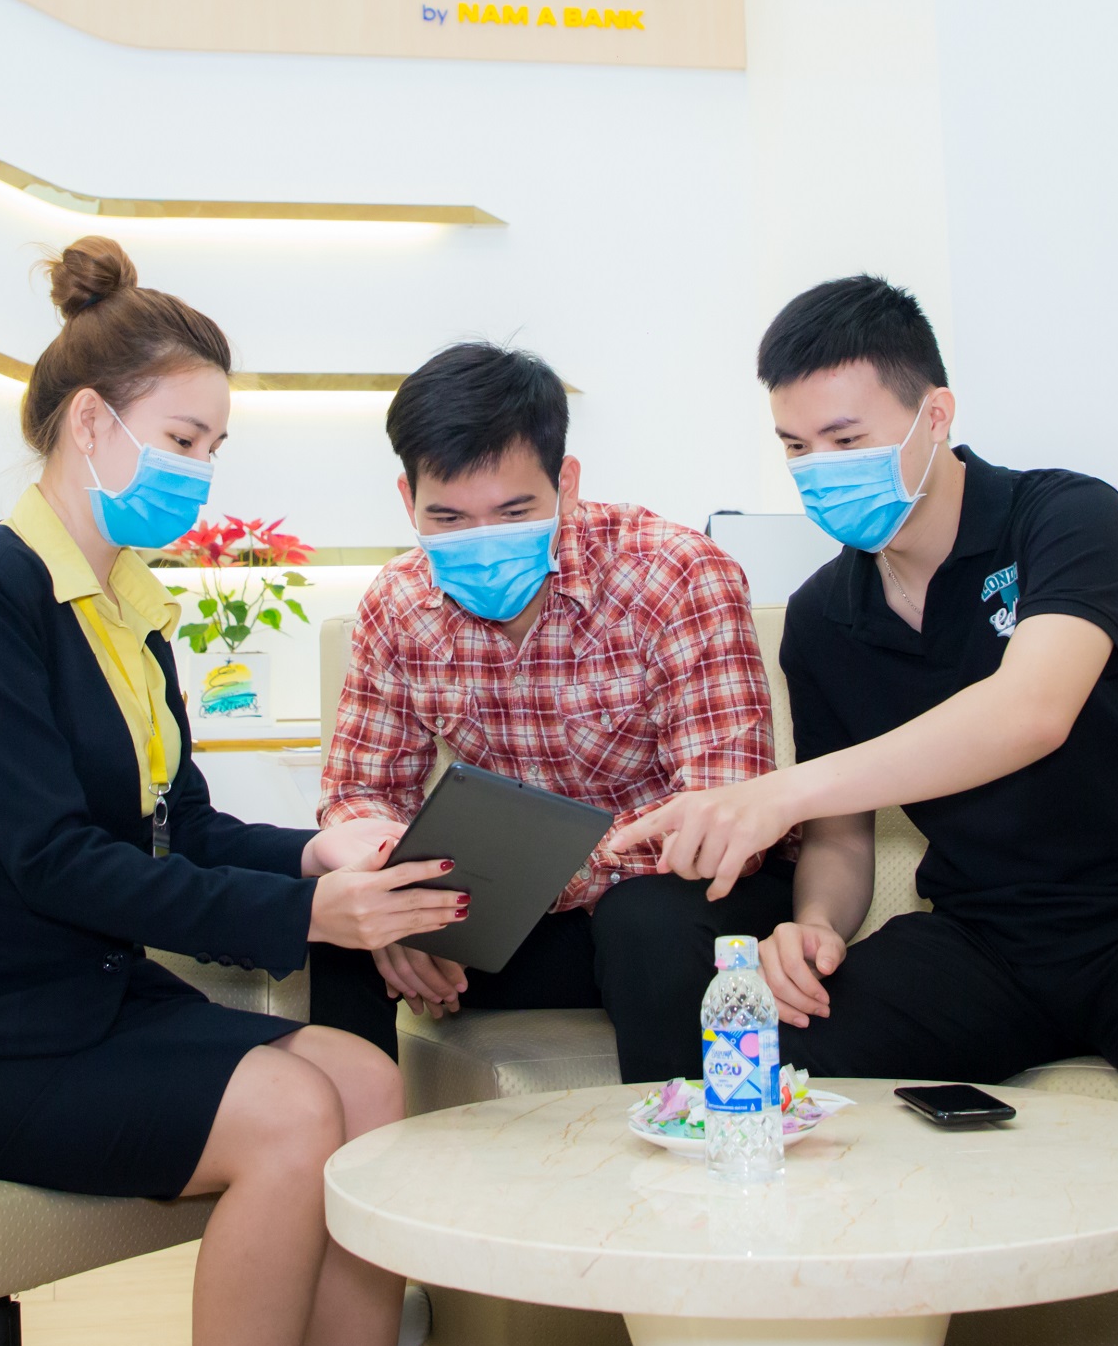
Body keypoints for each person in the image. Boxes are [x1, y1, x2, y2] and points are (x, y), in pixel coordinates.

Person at [611, 276, 1118, 1346]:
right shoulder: (825, 617)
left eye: (846, 438)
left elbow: (1031, 710)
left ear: (934, 415)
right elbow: (845, 840)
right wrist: (814, 924)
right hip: (986, 936)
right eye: (795, 448)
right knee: (771, 1073)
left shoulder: (1063, 517)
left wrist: (774, 794)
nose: (818, 471)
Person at [0, 237, 463, 1346]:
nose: (201, 471)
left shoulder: (129, 605)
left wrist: (319, 851)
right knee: (290, 1113)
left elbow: (187, 830)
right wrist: (313, 915)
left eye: (213, 447)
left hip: (90, 1000)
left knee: (371, 1085)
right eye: (183, 439)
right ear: (91, 422)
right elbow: (54, 860)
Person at [312, 340, 788, 1083]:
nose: (482, 545)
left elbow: (724, 814)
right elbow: (358, 793)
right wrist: (391, 898)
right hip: (515, 915)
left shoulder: (674, 573)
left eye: (512, 513)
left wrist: (532, 880)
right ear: (408, 500)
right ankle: (361, 1148)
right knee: (333, 923)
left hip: (677, 897)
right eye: (448, 518)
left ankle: (684, 1145)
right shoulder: (398, 603)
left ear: (565, 482)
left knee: (644, 923)